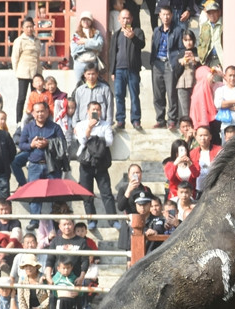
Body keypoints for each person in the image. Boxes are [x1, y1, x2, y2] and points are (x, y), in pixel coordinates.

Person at [19, 101, 65, 229]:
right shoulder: (28, 127)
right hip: (34, 165)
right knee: (34, 194)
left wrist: (48, 143)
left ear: (47, 112)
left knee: (55, 194)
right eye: (37, 112)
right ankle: (34, 220)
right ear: (33, 113)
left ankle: (56, 221)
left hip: (52, 166)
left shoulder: (55, 127)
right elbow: (21, 144)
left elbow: (63, 144)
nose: (40, 114)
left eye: (42, 111)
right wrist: (32, 145)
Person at [74, 101, 115, 230]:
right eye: (93, 109)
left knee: (106, 192)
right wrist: (89, 129)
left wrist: (92, 139)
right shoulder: (81, 125)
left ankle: (112, 220)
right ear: (88, 111)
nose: (95, 112)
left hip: (101, 161)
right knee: (87, 193)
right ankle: (91, 220)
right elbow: (82, 141)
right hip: (86, 162)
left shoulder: (106, 125)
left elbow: (109, 141)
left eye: (98, 109)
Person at [112, 9, 148, 131]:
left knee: (134, 95)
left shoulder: (138, 32)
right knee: (119, 95)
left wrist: (133, 37)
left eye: (128, 18)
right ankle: (120, 120)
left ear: (132, 19)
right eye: (123, 18)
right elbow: (113, 54)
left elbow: (142, 45)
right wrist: (112, 71)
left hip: (133, 70)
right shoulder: (116, 35)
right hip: (119, 70)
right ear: (119, 19)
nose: (125, 20)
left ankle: (136, 120)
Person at [10, 17, 42, 124]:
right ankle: (18, 121)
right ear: (23, 28)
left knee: (36, 97)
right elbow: (15, 58)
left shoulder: (37, 40)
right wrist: (16, 72)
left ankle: (35, 118)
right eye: (27, 27)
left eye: (31, 26)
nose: (29, 29)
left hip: (35, 73)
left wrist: (40, 73)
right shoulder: (19, 40)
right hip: (23, 72)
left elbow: (38, 57)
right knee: (22, 97)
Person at [70, 11, 105, 83]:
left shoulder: (96, 33)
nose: (85, 21)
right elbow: (74, 49)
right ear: (81, 21)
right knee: (79, 85)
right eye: (83, 19)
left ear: (91, 21)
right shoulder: (76, 35)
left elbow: (99, 45)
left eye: (88, 19)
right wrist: (91, 47)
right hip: (80, 62)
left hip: (92, 62)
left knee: (93, 84)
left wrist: (85, 42)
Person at [189, 125, 221, 198]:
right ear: (196, 137)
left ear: (210, 137)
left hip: (214, 189)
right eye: (200, 135)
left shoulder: (218, 150)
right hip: (198, 189)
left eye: (205, 135)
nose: (203, 138)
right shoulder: (192, 153)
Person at [176, 30, 200, 120]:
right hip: (183, 84)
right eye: (185, 40)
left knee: (196, 109)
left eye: (190, 40)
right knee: (185, 111)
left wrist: (195, 61)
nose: (188, 42)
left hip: (196, 84)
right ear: (182, 41)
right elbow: (176, 73)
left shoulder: (198, 52)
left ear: (193, 40)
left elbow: (202, 69)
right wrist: (181, 63)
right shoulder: (180, 53)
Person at [197, 2, 223, 69]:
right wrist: (201, 55)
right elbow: (201, 43)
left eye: (214, 12)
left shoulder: (224, 24)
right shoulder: (205, 26)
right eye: (209, 13)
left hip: (219, 58)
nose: (212, 15)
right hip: (207, 58)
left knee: (216, 78)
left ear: (219, 12)